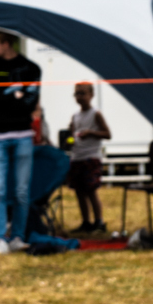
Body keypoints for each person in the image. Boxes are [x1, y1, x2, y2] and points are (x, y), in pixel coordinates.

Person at [0, 31, 40, 253]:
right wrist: (13, 96)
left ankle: (18, 236)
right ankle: (0, 238)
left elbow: (30, 104)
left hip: (23, 135)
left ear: (6, 43)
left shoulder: (31, 68)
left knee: (22, 191)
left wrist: (0, 97)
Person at [65, 83, 111, 234]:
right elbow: (71, 136)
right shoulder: (75, 116)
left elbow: (107, 134)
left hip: (91, 156)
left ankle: (99, 221)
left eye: (83, 93)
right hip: (77, 157)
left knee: (91, 190)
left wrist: (91, 133)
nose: (80, 97)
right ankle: (86, 221)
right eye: (77, 94)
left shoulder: (95, 113)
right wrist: (69, 139)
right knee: (79, 191)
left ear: (91, 95)